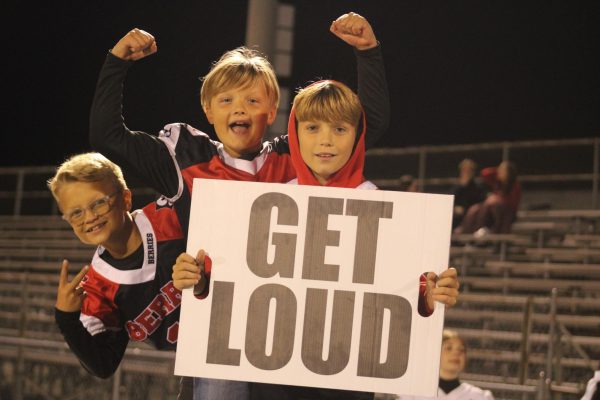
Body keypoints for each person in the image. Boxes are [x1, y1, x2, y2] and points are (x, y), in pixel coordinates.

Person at [90, 11, 389, 400]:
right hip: (221, 328)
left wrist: (368, 54)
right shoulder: (183, 159)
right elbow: (108, 135)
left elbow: (367, 128)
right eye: (226, 100)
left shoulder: (292, 159)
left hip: (285, 328)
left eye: (253, 99)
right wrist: (117, 63)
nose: (240, 108)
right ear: (209, 111)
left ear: (273, 111)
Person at [173, 80, 459, 400]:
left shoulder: (386, 209)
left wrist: (431, 295)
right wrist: (196, 279)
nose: (326, 141)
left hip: (346, 385)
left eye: (340, 129)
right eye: (312, 127)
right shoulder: (265, 198)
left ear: (357, 135)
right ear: (295, 134)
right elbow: (227, 292)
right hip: (269, 382)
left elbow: (405, 303)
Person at [47, 153, 189, 383]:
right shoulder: (97, 287)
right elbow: (103, 364)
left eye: (99, 203)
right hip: (197, 365)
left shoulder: (170, 218)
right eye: (76, 213)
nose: (90, 217)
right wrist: (66, 318)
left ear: (126, 199)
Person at [382, 330, 494, 400]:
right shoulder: (412, 394)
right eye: (448, 348)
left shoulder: (480, 396)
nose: (456, 353)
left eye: (461, 350)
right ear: (435, 353)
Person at [454, 160, 521, 235]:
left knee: (490, 203)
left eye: (502, 170)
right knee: (474, 209)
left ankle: (481, 230)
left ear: (509, 172)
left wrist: (498, 200)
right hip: (491, 210)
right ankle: (467, 232)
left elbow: (512, 204)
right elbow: (485, 173)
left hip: (505, 212)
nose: (499, 171)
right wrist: (497, 169)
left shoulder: (515, 185)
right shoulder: (498, 183)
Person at [451, 159, 486, 229]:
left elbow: (479, 203)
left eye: (468, 171)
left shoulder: (477, 188)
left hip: (471, 215)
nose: (466, 173)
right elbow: (451, 200)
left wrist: (466, 209)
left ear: (472, 173)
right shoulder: (456, 187)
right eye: (464, 170)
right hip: (457, 215)